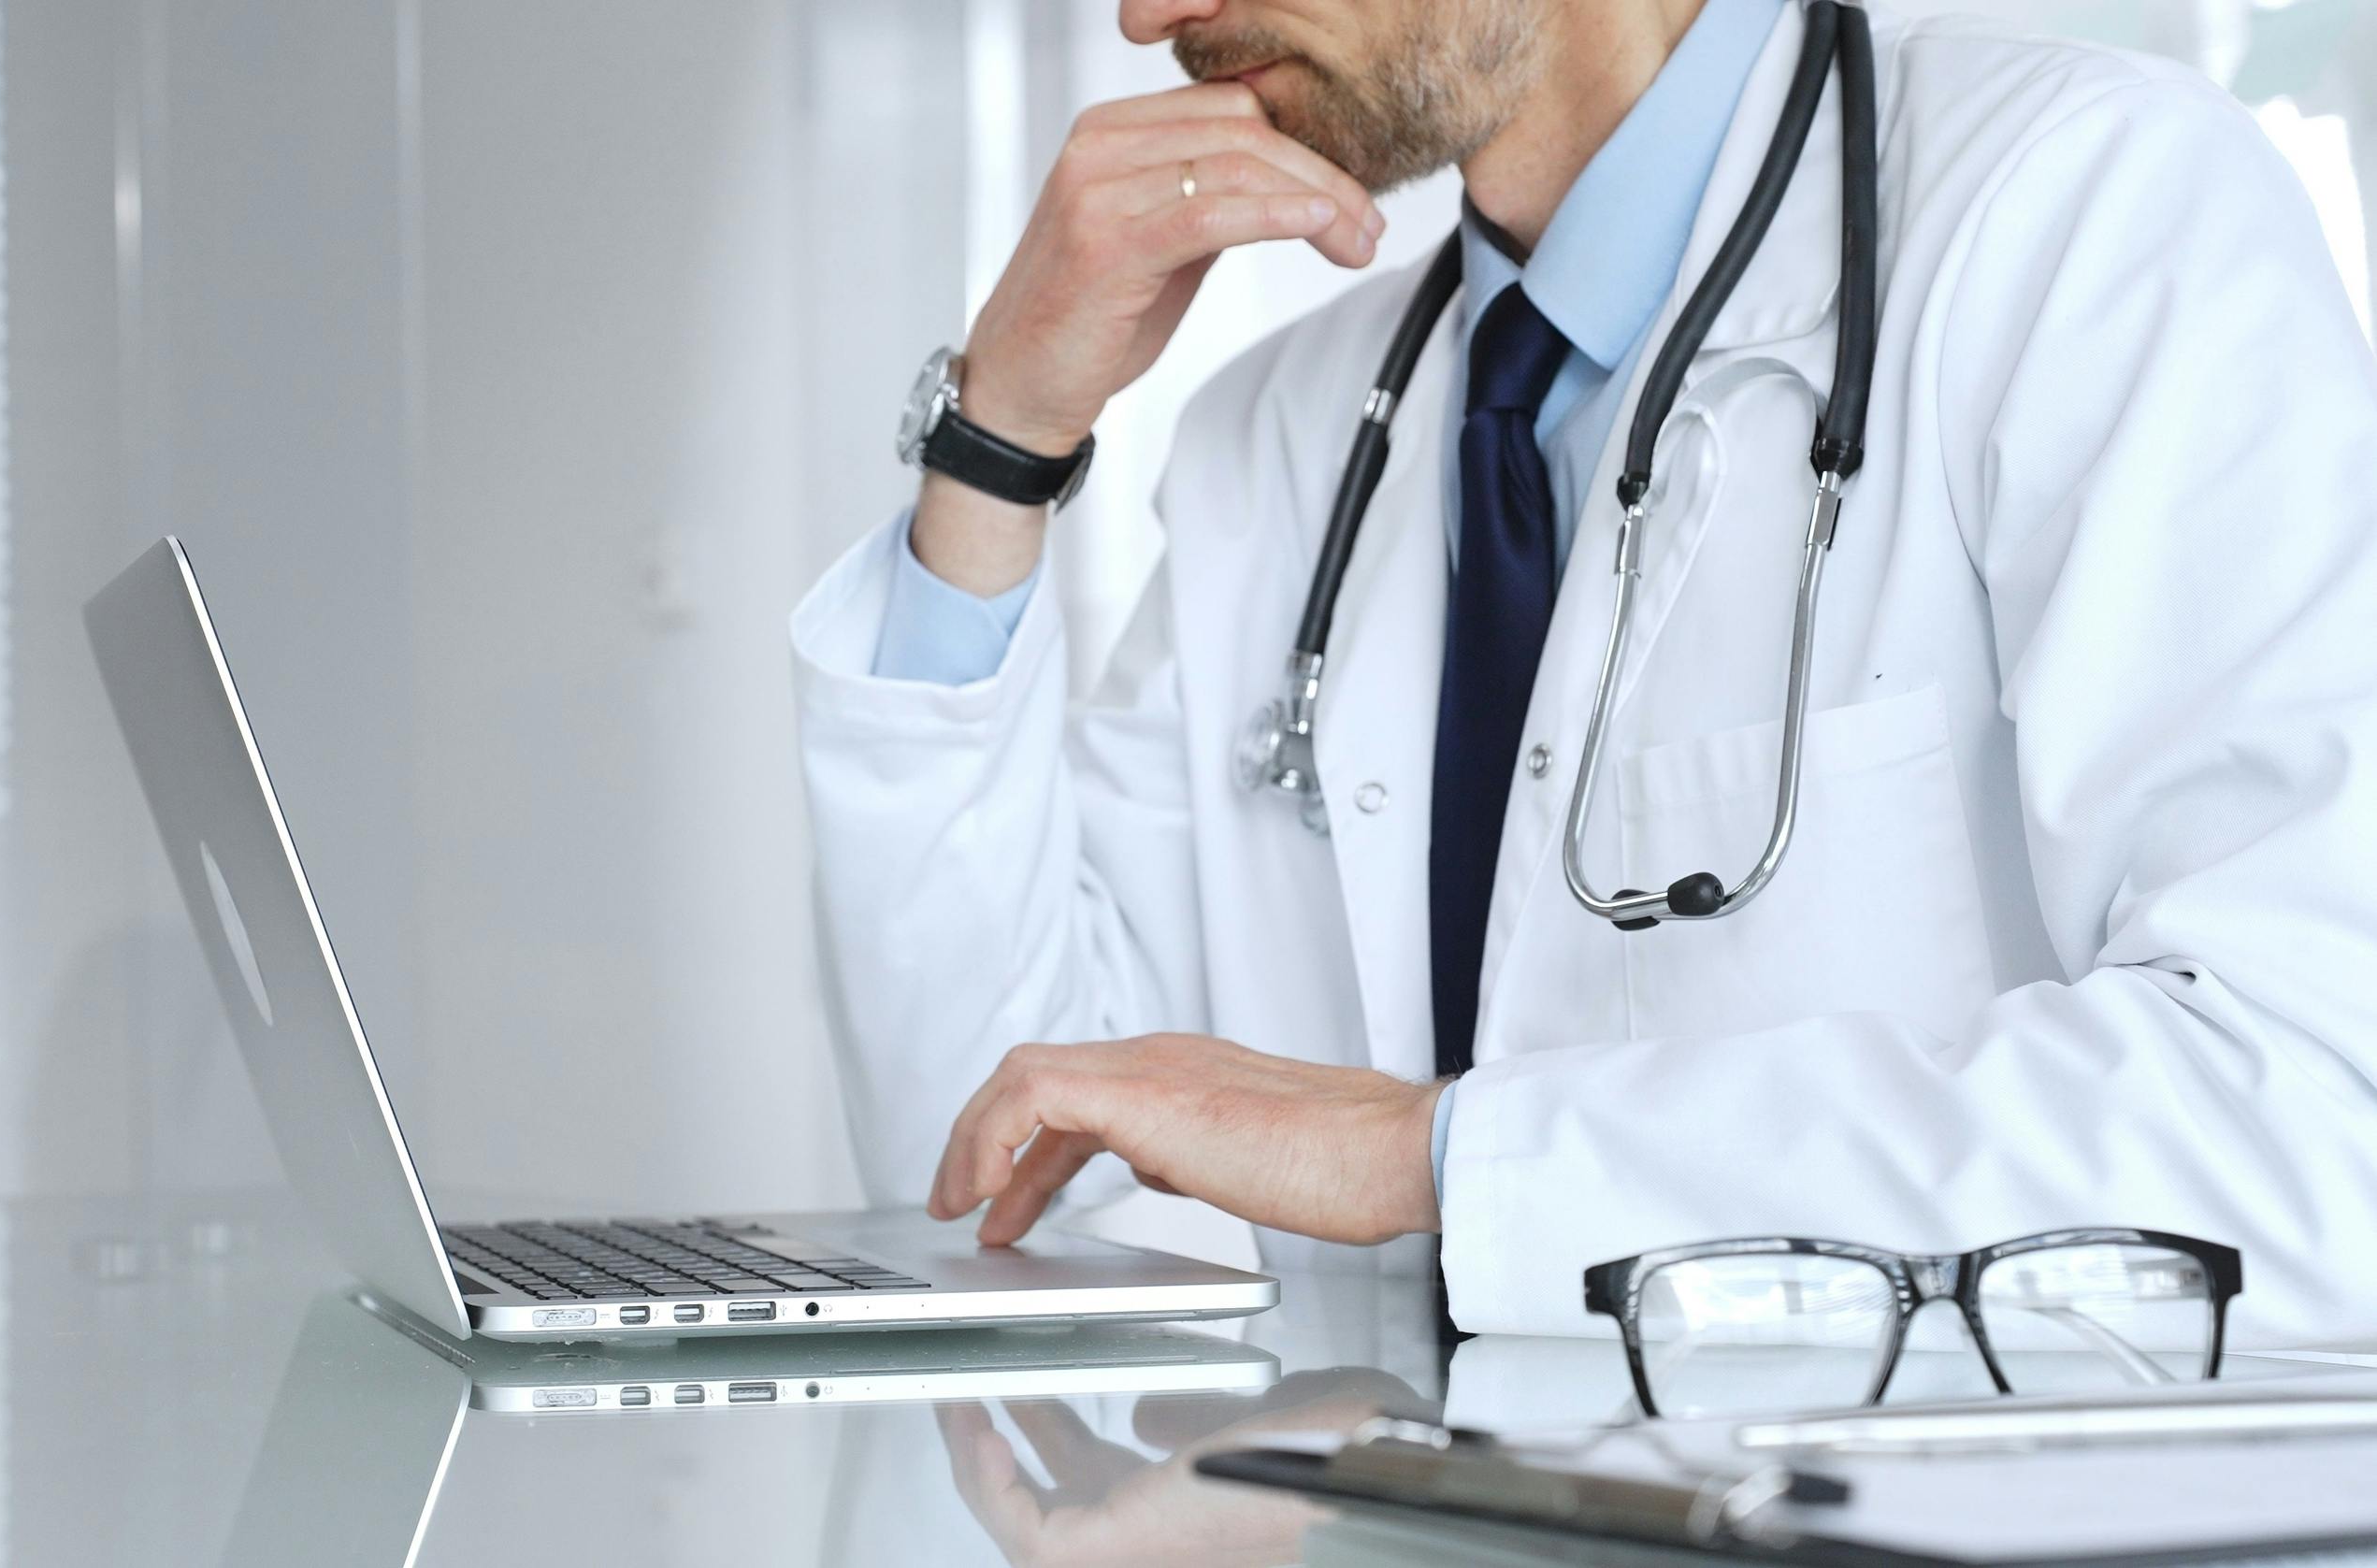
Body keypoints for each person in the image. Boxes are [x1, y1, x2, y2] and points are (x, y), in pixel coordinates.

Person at [788, 0, 2377, 1343]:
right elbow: (990, 1171)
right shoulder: (1280, 437)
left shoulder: (2084, 212)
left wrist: (1444, 1158)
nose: (1138, 13)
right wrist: (997, 444)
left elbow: (2314, 1124)